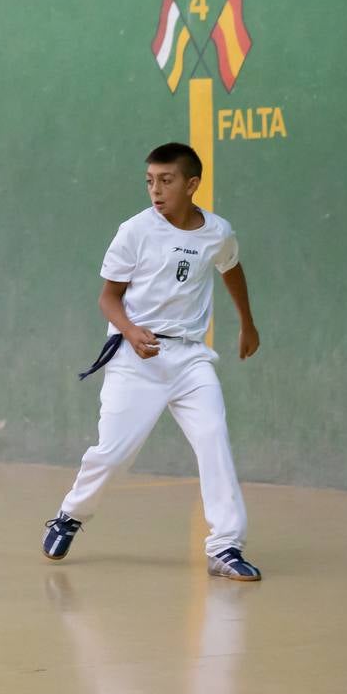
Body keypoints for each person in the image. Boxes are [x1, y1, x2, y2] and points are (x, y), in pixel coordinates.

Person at [43, 142, 262, 581]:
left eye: (166, 181)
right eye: (149, 182)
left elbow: (231, 267)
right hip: (135, 358)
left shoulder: (216, 232)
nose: (156, 191)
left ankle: (225, 546)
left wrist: (247, 323)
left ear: (192, 184)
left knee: (214, 439)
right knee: (115, 452)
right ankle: (70, 514)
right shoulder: (134, 231)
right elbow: (108, 297)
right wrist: (130, 330)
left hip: (190, 359)